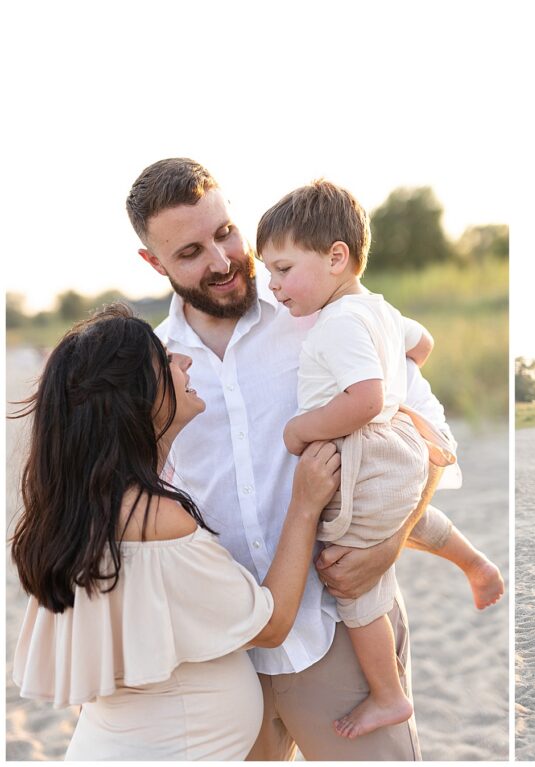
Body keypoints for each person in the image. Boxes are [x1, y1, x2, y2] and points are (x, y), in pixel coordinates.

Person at [125, 157, 473, 759]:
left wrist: (391, 542)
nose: (222, 260)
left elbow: (426, 435)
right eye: (189, 253)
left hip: (339, 628)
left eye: (225, 232)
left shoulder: (322, 309)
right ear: (154, 264)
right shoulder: (152, 367)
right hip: (222, 658)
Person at [10, 305, 341, 760]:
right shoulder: (155, 519)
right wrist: (304, 505)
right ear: (136, 396)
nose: (184, 362)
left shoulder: (80, 511)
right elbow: (272, 623)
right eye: (165, 359)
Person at [255, 179, 503, 738]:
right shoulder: (379, 310)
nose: (272, 286)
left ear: (337, 257)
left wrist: (302, 429)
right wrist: (400, 372)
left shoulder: (338, 324)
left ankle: (388, 695)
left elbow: (365, 400)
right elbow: (424, 343)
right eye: (268, 272)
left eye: (283, 269)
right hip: (398, 447)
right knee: (392, 517)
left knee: (354, 580)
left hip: (367, 450)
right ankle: (474, 562)